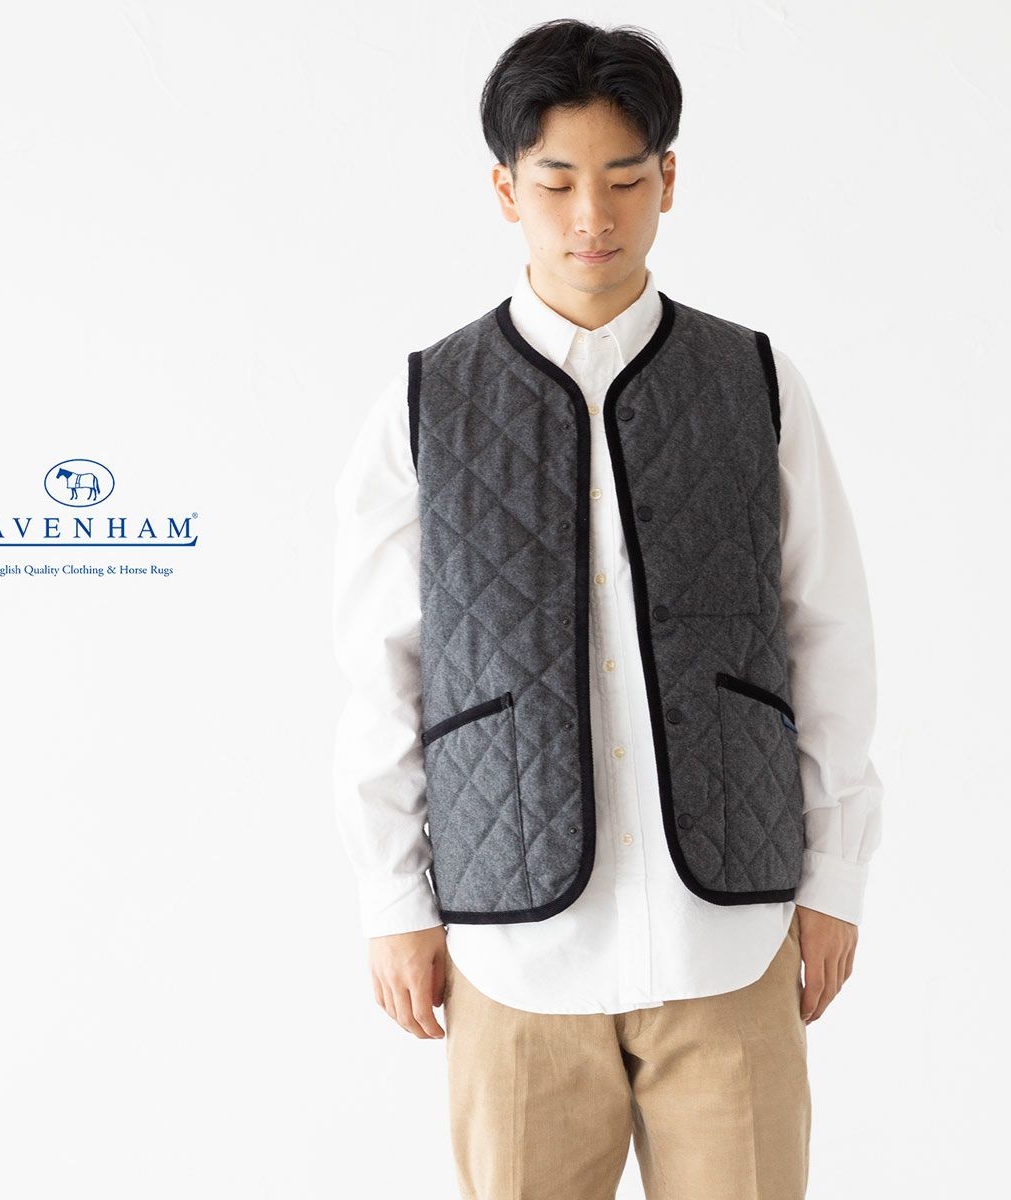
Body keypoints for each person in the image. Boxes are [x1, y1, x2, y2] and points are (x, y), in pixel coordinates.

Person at [332, 18, 882, 1200]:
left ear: (669, 180)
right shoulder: (424, 401)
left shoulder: (756, 381)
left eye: (627, 178)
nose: (594, 215)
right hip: (516, 955)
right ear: (505, 189)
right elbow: (382, 669)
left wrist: (835, 875)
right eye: (557, 181)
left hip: (727, 939)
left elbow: (828, 630)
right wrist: (393, 899)